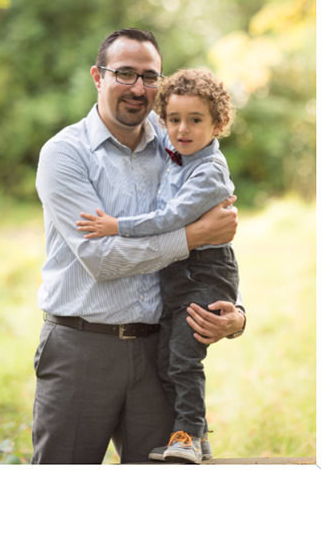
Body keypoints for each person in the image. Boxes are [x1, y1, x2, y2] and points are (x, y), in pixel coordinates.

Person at [31, 28, 245, 464]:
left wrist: (237, 315)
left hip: (157, 351)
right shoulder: (66, 154)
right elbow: (102, 260)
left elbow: (215, 238)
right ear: (97, 76)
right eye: (124, 73)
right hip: (81, 348)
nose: (138, 88)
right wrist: (191, 236)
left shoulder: (176, 138)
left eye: (150, 77)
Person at [76, 69, 239, 465]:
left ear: (218, 124)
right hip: (177, 273)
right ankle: (195, 437)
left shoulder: (208, 171)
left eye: (196, 120)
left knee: (184, 358)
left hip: (202, 271)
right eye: (174, 120)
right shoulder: (177, 148)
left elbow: (170, 218)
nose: (181, 129)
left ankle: (186, 434)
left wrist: (117, 226)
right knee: (168, 359)